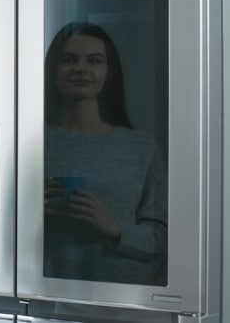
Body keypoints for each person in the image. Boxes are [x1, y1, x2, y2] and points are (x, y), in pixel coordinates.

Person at [43, 22, 167, 286]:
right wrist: (30, 214)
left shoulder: (141, 147)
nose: (81, 69)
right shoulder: (27, 142)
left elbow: (161, 238)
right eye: (68, 60)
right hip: (47, 296)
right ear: (53, 69)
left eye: (94, 60)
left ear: (109, 72)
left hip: (125, 302)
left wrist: (112, 227)